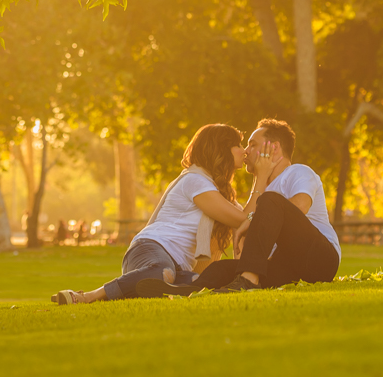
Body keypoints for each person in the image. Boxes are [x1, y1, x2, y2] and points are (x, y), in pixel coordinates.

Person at [50, 123, 253, 305]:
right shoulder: (196, 182)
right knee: (162, 272)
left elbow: (249, 219)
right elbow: (243, 219)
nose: (244, 151)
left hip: (178, 268)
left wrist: (259, 177)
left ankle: (139, 290)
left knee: (208, 282)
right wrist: (260, 179)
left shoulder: (216, 190)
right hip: (150, 249)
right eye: (238, 145)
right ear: (221, 150)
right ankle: (89, 296)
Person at [138, 118, 341, 296]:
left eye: (253, 145)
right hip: (288, 267)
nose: (246, 151)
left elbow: (300, 207)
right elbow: (247, 253)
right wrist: (251, 225)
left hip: (320, 259)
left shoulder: (298, 172)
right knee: (221, 269)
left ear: (275, 148)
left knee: (269, 200)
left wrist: (252, 220)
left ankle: (249, 282)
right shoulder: (265, 192)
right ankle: (184, 290)